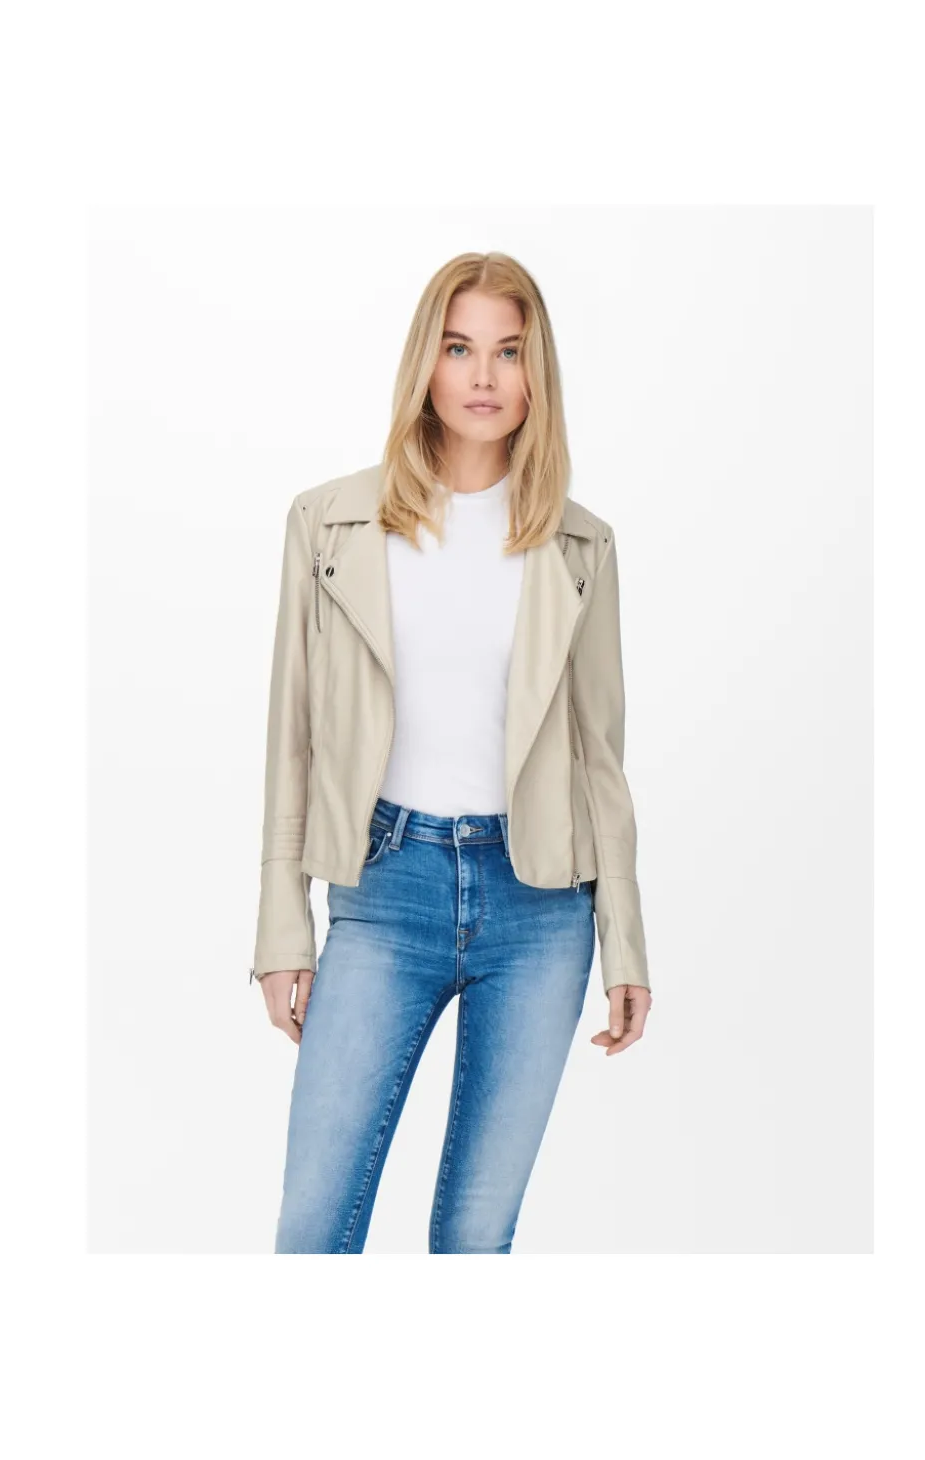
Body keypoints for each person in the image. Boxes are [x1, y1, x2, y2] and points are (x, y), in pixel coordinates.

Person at [251, 251, 651, 1253]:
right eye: (459, 347)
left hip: (539, 909)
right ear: (424, 363)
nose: (483, 376)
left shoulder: (579, 547)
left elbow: (598, 756)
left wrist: (625, 941)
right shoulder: (331, 525)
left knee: (475, 1239)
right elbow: (292, 736)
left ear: (535, 373)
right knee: (312, 1229)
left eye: (509, 352)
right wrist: (282, 925)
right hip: (385, 890)